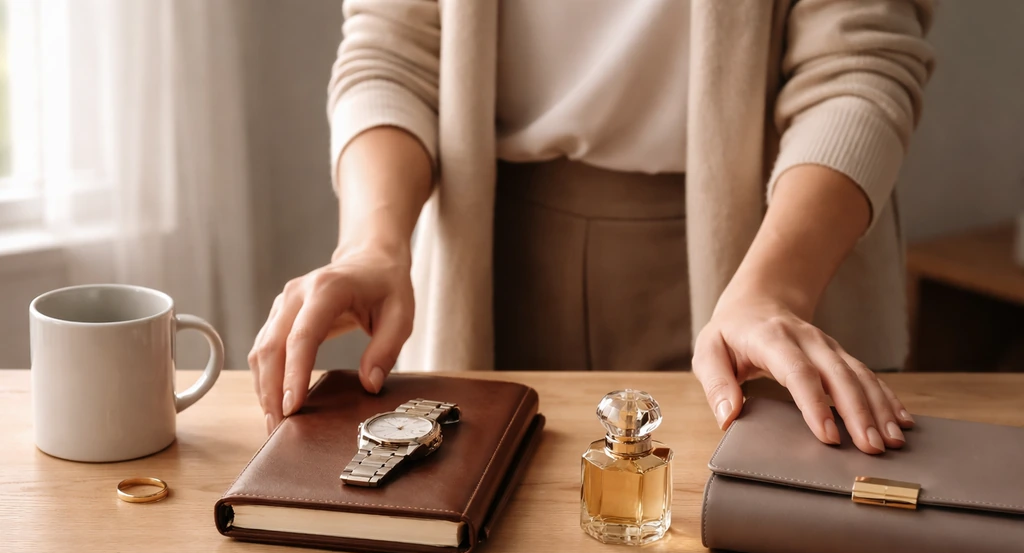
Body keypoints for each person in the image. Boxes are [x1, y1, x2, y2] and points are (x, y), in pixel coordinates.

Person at [248, 0, 934, 456]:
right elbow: (393, 51)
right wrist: (372, 242)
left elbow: (856, 66)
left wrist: (776, 290)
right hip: (490, 261)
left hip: (770, 251)